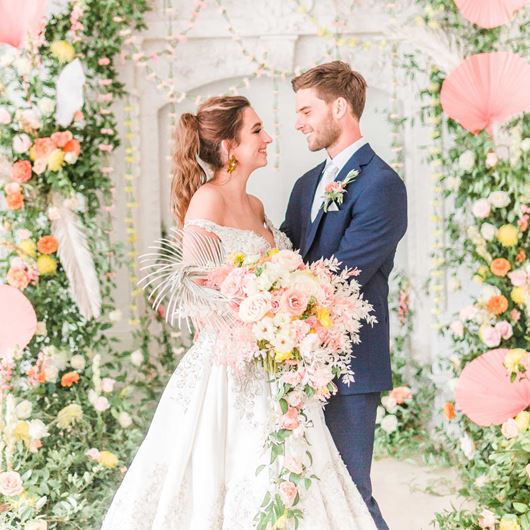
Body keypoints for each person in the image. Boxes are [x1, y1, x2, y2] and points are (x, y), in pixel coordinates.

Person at [100, 95, 377, 529]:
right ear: (229, 148)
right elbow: (193, 298)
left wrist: (284, 312)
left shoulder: (256, 207)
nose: (268, 138)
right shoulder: (207, 202)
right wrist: (256, 314)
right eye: (256, 131)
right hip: (228, 371)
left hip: (275, 365)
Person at [281, 61, 408, 530]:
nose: (298, 122)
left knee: (351, 491)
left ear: (340, 107)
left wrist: (275, 295)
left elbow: (343, 276)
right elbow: (285, 257)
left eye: (306, 110)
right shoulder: (304, 186)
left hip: (352, 366)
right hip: (296, 363)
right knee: (308, 492)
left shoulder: (382, 184)